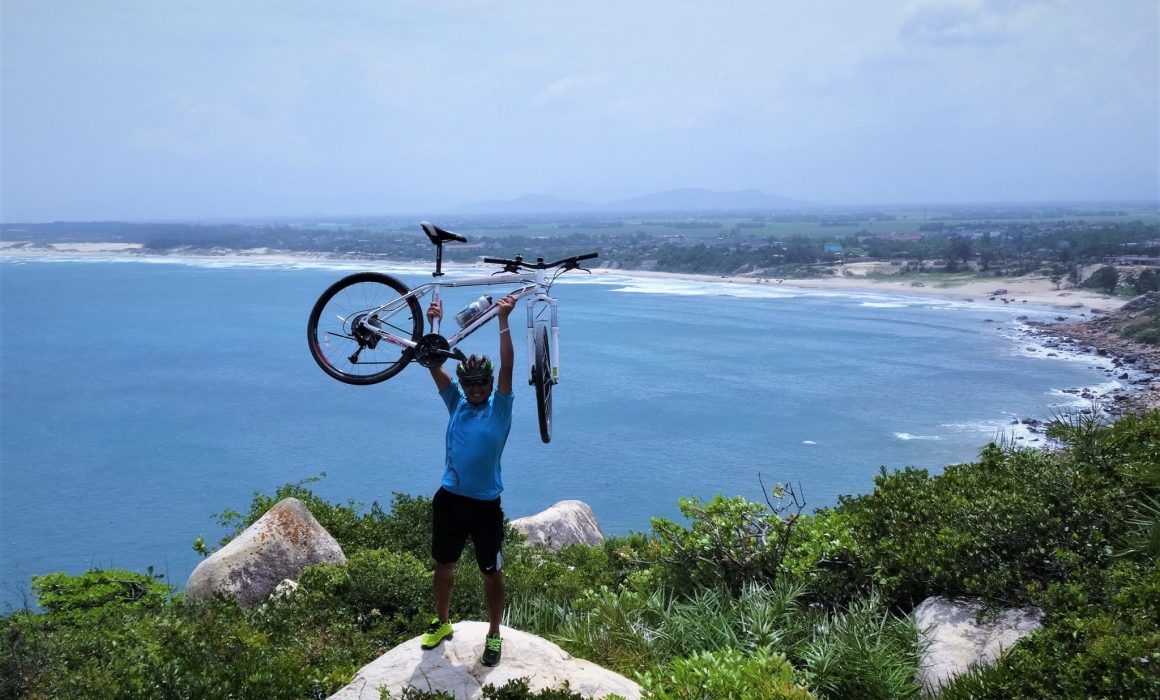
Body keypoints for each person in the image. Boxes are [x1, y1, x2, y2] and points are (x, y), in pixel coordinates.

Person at [418, 293, 516, 667]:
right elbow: (431, 358)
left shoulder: (500, 410)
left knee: (491, 571)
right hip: (450, 500)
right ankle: (442, 623)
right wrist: (434, 323)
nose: (475, 390)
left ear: (490, 384)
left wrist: (503, 320)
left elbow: (508, 365)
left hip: (485, 505)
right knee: (443, 566)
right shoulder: (456, 403)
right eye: (470, 384)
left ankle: (494, 634)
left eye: (481, 384)